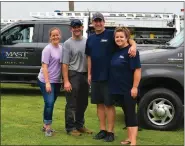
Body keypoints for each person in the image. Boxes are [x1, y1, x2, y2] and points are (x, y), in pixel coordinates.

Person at [85, 12, 137, 142]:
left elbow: (126, 38)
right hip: (96, 76)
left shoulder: (110, 34)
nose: (98, 23)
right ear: (92, 22)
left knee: (109, 105)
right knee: (99, 104)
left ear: (104, 22)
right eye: (95, 21)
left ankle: (110, 132)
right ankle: (102, 130)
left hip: (109, 77)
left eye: (100, 21)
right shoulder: (90, 38)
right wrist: (89, 74)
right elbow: (89, 57)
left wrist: (134, 45)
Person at [109, 27, 141, 145]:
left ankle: (133, 142)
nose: (119, 39)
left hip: (129, 89)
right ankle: (129, 138)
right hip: (118, 89)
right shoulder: (116, 51)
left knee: (131, 114)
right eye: (117, 37)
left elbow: (137, 70)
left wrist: (135, 87)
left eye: (121, 37)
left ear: (127, 38)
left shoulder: (131, 52)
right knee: (126, 114)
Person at [61, 19, 92, 136]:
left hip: (84, 75)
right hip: (73, 74)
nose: (77, 29)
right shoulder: (67, 43)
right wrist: (66, 81)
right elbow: (64, 63)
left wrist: (89, 74)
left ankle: (79, 125)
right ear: (71, 29)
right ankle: (70, 128)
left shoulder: (87, 41)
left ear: (82, 27)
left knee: (83, 102)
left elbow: (90, 59)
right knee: (72, 103)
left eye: (78, 26)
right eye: (74, 27)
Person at [37, 27, 63, 137]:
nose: (56, 37)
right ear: (50, 37)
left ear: (60, 35)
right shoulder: (47, 49)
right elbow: (44, 66)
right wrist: (47, 82)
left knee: (49, 103)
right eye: (53, 35)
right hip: (45, 80)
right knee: (50, 103)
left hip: (57, 81)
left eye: (57, 35)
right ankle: (48, 127)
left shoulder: (62, 48)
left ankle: (44, 124)